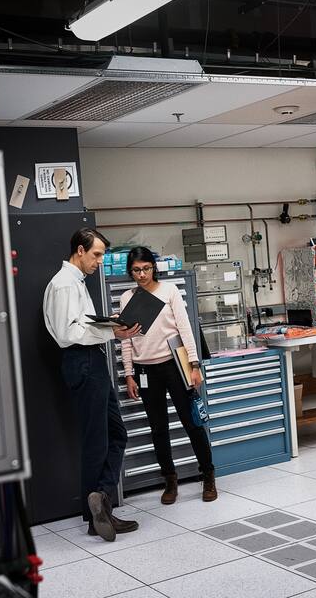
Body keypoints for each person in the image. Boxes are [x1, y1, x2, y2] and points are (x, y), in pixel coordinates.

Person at [43, 228, 142, 542]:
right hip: (82, 361)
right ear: (79, 250)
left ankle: (101, 503)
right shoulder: (62, 284)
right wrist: (113, 333)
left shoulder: (74, 283)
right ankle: (95, 514)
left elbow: (81, 323)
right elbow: (66, 333)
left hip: (91, 361)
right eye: (96, 254)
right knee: (96, 441)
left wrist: (108, 322)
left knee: (115, 435)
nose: (99, 261)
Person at [120, 246, 217, 504]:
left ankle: (208, 475)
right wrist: (129, 374)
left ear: (154, 267)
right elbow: (126, 341)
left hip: (174, 365)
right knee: (158, 429)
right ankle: (170, 480)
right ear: (130, 272)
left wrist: (194, 365)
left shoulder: (169, 291)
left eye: (146, 268)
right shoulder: (127, 298)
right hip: (144, 370)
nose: (142, 274)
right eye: (136, 270)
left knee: (192, 423)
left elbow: (185, 329)